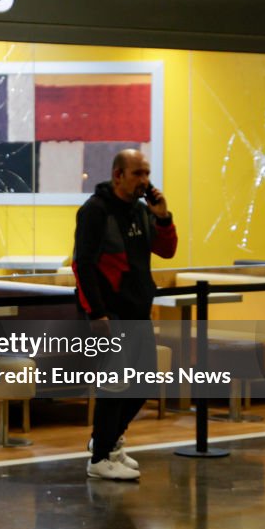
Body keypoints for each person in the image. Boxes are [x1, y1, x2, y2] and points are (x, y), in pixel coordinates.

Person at [72, 149, 177, 480]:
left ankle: (107, 441)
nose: (145, 181)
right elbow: (82, 265)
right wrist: (97, 313)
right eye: (137, 174)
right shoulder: (95, 211)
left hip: (137, 309)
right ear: (118, 175)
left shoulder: (141, 211)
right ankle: (100, 458)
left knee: (145, 381)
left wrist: (163, 216)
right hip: (109, 312)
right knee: (114, 385)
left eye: (147, 174)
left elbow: (166, 250)